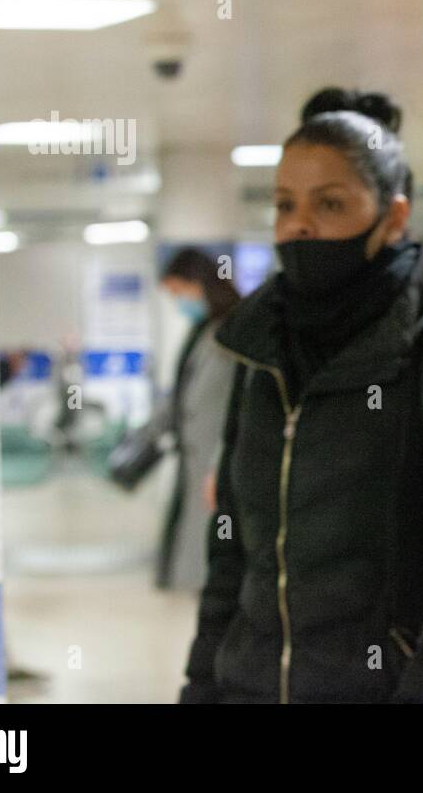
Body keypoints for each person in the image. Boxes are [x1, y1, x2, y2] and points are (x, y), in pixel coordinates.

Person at [179, 88, 423, 703]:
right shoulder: (259, 362)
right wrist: (203, 689)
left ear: (393, 218)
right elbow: (231, 561)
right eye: (284, 204)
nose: (299, 225)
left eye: (331, 204)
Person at [156, 248, 240, 591]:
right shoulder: (203, 331)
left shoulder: (232, 331)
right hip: (199, 456)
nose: (178, 302)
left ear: (199, 283)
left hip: (219, 458)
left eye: (179, 292)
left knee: (215, 548)